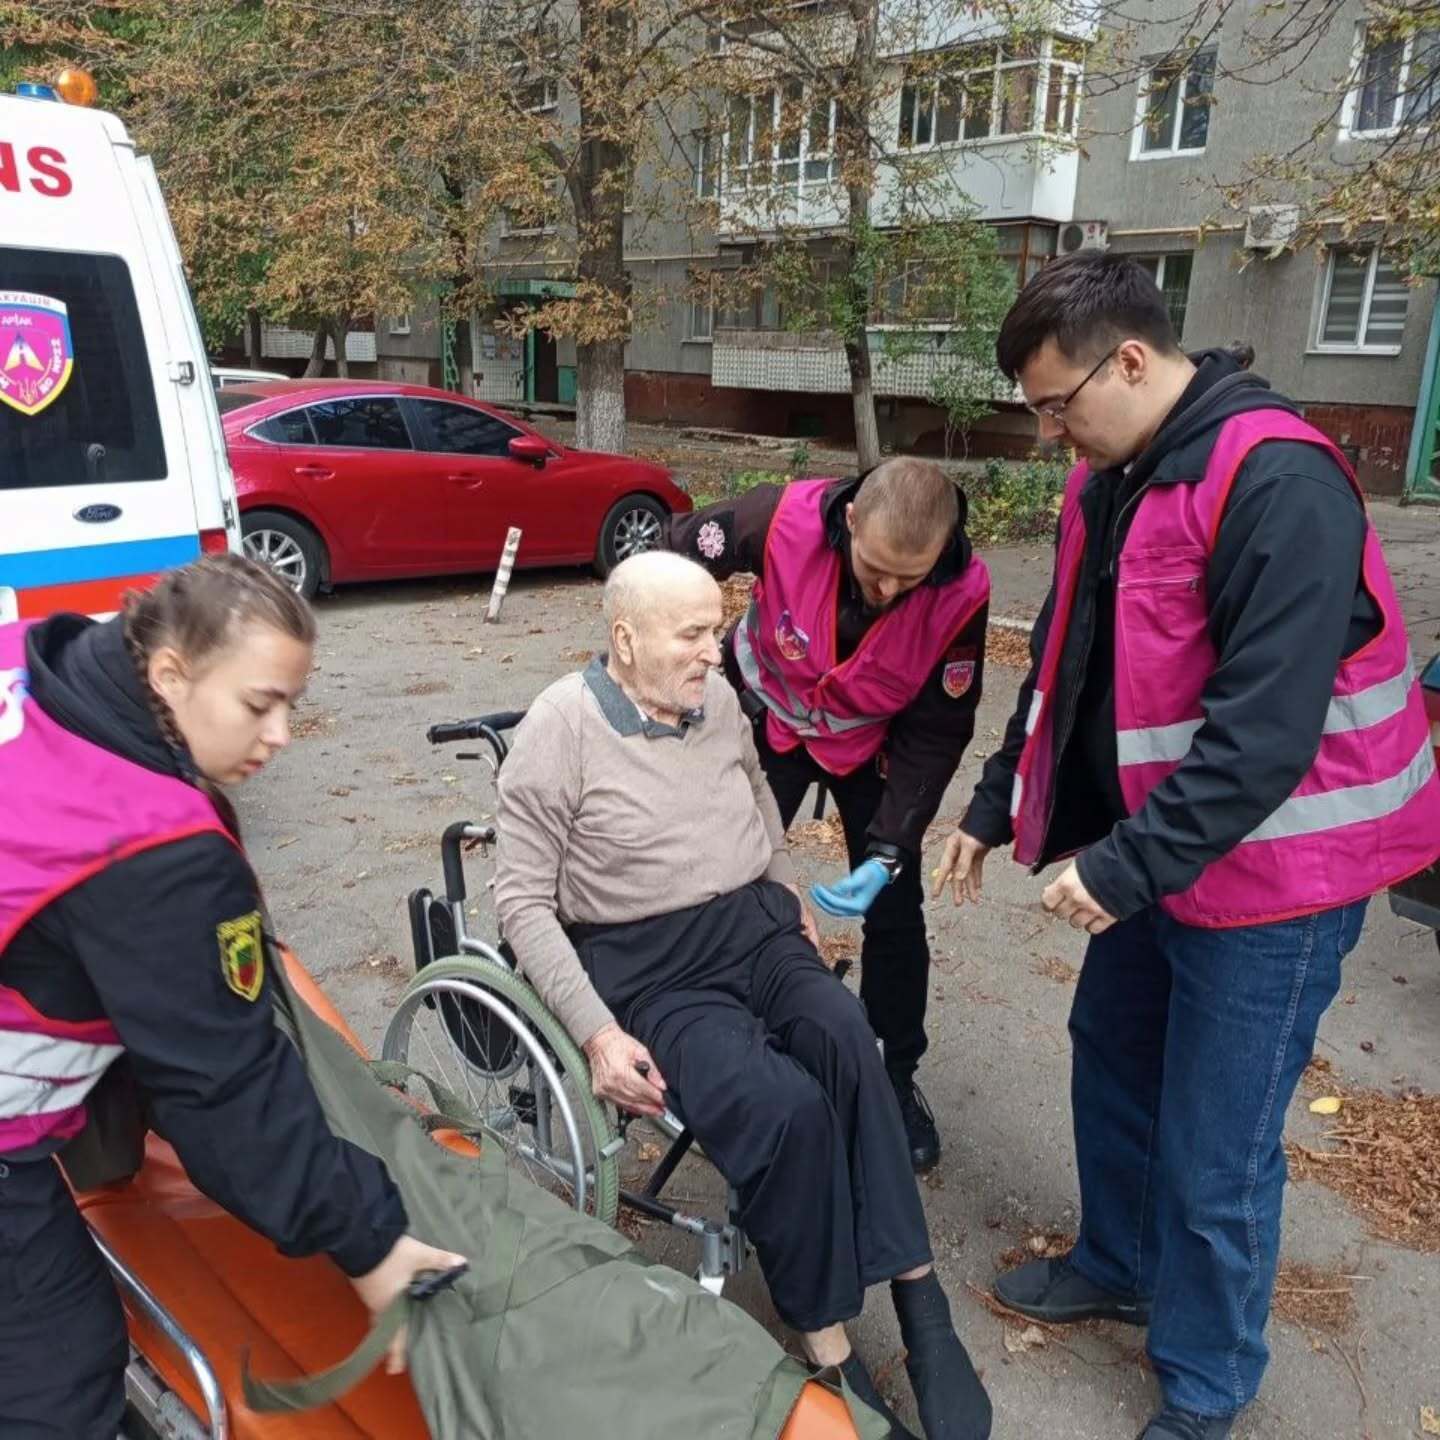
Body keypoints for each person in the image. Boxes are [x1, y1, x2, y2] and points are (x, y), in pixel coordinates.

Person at [933, 253, 1440, 1440]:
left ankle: (1207, 1386)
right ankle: (1121, 1263)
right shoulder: (1105, 480)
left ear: (1130, 360)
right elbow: (1064, 667)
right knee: (1112, 1057)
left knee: (1219, 1147)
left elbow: (1265, 736)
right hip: (1161, 858)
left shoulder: (1278, 480)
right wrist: (995, 801)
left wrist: (1118, 868)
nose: (1050, 434)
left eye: (1058, 405)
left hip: (1278, 880)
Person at [494, 551, 992, 1440]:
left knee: (849, 1039)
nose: (714, 652)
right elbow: (522, 903)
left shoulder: (716, 700)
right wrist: (598, 1036)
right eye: (692, 634)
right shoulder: (559, 727)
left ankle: (920, 1299)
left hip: (754, 929)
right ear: (625, 639)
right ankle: (826, 1341)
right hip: (653, 966)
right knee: (783, 1108)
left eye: (716, 630)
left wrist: (785, 885)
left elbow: (759, 794)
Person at [0, 554, 464, 1439]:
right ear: (169, 672)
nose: (282, 734)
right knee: (57, 1372)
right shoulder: (151, 848)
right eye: (259, 705)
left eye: (292, 703)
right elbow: (224, 1091)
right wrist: (369, 1243)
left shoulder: (36, 659)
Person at [667, 458, 990, 1172]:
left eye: (909, 578)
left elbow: (939, 728)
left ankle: (892, 1075)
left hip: (870, 745)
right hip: (765, 718)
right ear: (850, 522)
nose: (888, 591)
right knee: (719, 881)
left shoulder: (961, 591)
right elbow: (672, 553)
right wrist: (673, 654)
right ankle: (716, 1052)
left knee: (896, 909)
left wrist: (891, 846)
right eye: (876, 569)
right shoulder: (778, 519)